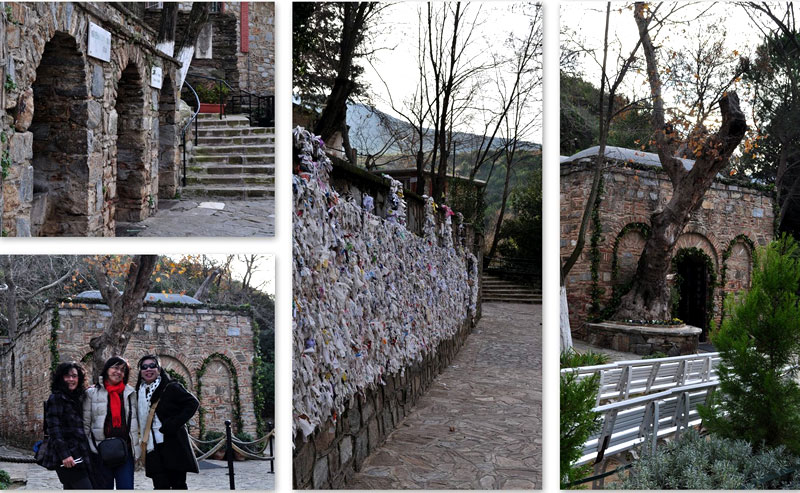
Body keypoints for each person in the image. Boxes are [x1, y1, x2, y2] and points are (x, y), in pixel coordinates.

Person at [136, 354, 200, 489]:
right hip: (152, 446)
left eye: (152, 366)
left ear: (159, 369)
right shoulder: (139, 392)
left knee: (178, 485)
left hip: (173, 444)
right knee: (160, 486)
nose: (148, 369)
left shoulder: (171, 387)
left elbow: (192, 403)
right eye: (144, 367)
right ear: (140, 372)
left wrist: (174, 423)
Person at [83, 356, 140, 489]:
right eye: (115, 367)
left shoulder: (131, 394)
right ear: (106, 369)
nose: (118, 372)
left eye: (122, 370)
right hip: (100, 452)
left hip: (125, 452)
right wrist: (91, 449)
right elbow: (86, 424)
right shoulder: (92, 393)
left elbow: (137, 421)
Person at [45, 362, 93, 489]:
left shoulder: (77, 397)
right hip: (67, 455)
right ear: (60, 378)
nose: (71, 379)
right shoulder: (56, 398)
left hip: (80, 452)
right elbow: (54, 429)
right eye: (67, 376)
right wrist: (65, 455)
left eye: (74, 376)